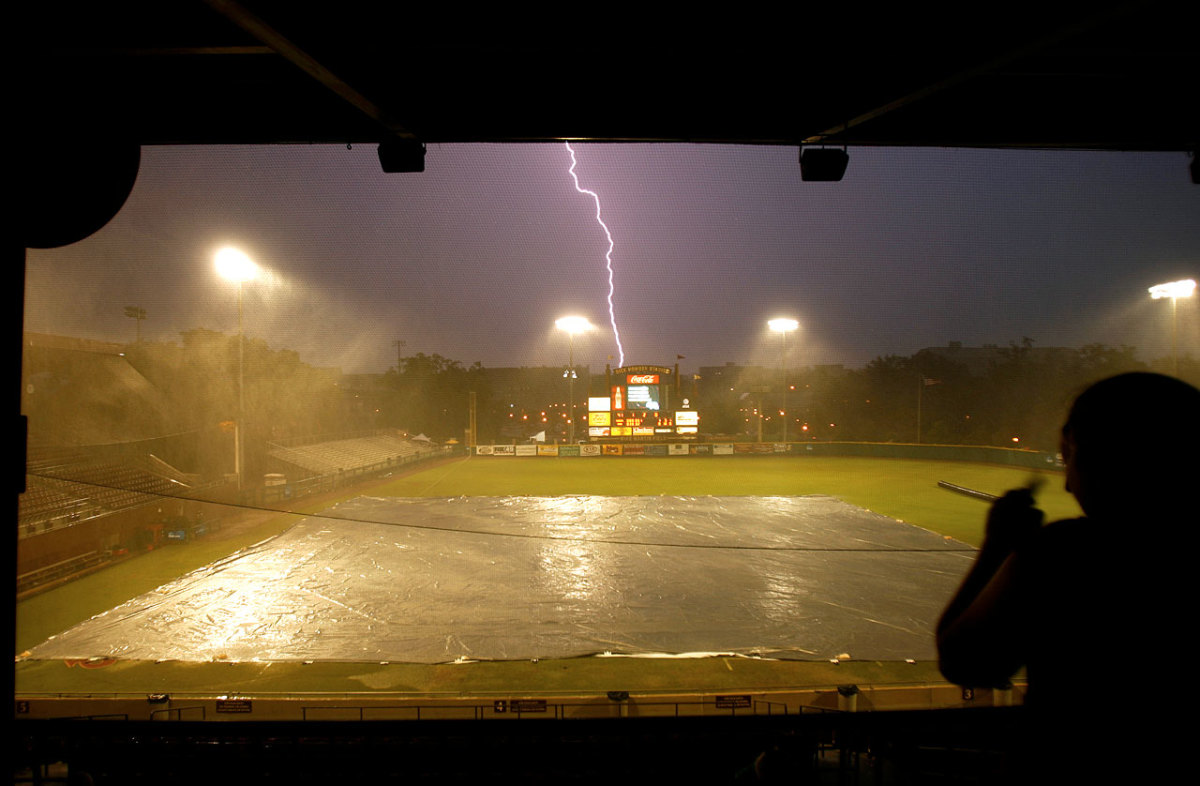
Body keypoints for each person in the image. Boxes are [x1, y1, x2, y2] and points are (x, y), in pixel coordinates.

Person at [936, 372, 1199, 782]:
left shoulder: (1069, 552)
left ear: (1102, 459)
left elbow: (966, 661)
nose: (1068, 483)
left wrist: (1000, 546)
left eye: (1071, 457)